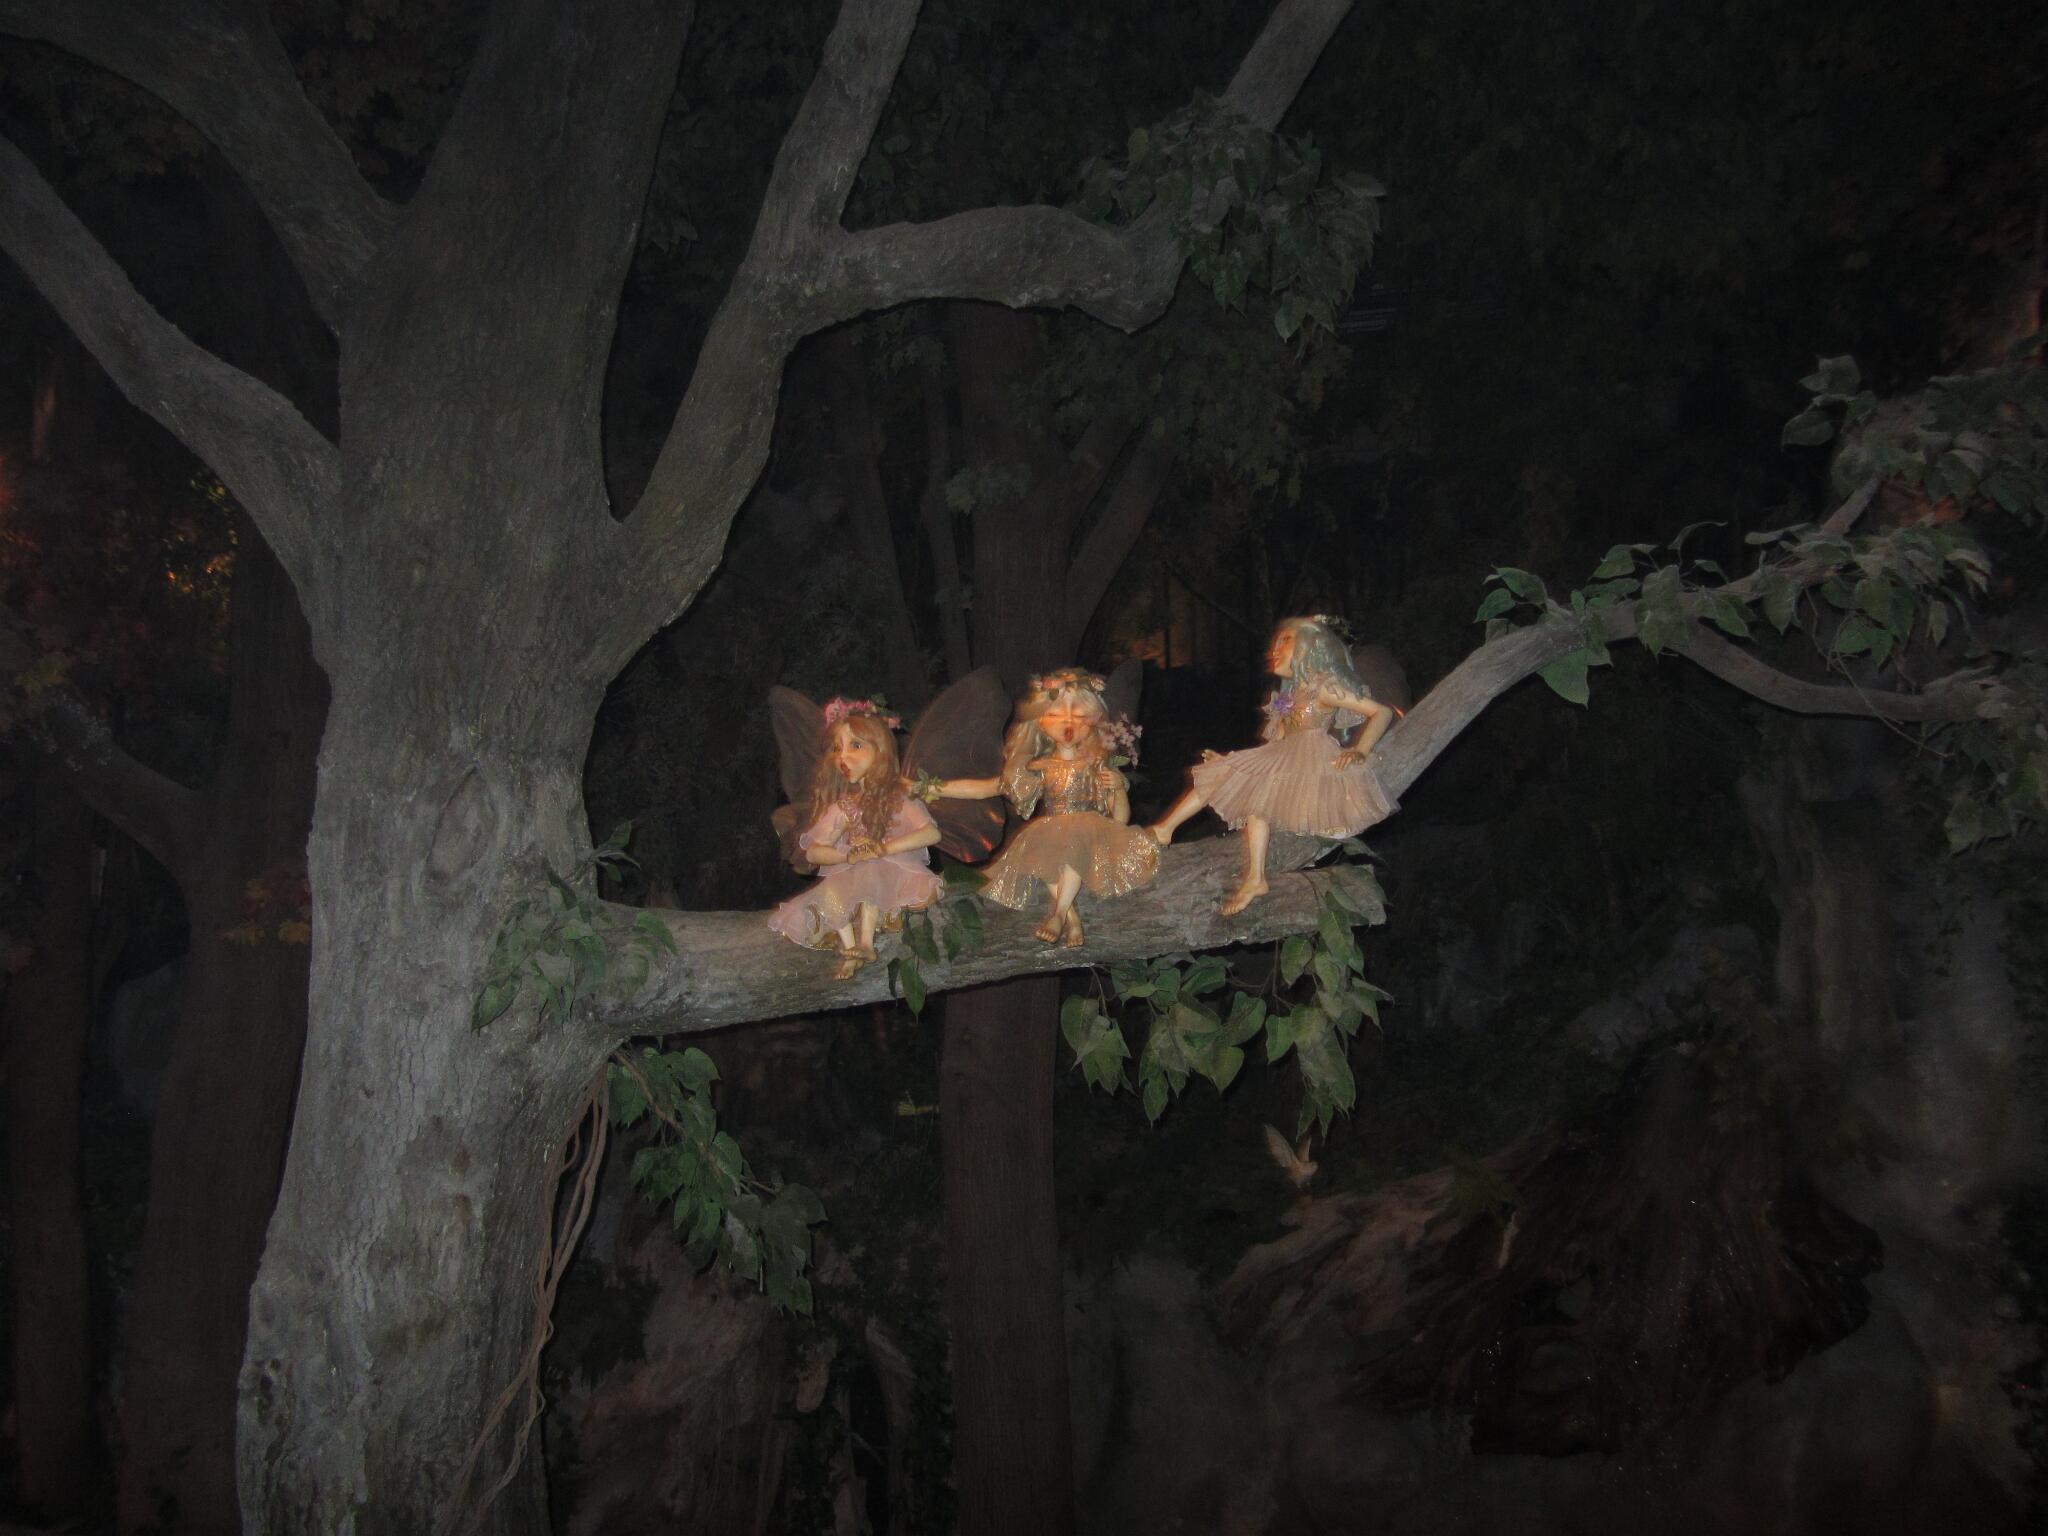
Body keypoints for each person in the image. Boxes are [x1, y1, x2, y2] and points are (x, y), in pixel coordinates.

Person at [1150, 616, 1397, 915]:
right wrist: (1231, 762)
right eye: (1276, 643)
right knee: (1223, 776)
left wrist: (1360, 749)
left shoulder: (1323, 686)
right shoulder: (1288, 697)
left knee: (1258, 803)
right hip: (1285, 755)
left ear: (1309, 646)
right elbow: (1274, 746)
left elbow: (1381, 712)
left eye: (1286, 641)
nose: (1275, 649)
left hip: (1309, 756)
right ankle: (1165, 829)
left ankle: (1255, 878)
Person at [935, 668, 1158, 946]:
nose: (1068, 725)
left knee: (1074, 845)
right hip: (1052, 828)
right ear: (1040, 722)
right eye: (1055, 716)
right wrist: (931, 788)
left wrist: (1119, 789)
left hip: (1089, 829)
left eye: (1079, 717)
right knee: (1039, 854)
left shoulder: (1095, 765)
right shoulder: (1040, 767)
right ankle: (1071, 920)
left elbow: (1120, 819)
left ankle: (1058, 914)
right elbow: (988, 788)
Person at [767, 700, 943, 978]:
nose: (843, 756)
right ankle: (851, 949)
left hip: (894, 874)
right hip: (853, 872)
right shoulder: (844, 807)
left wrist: (883, 848)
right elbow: (813, 851)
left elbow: (931, 832)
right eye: (837, 748)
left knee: (870, 874)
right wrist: (846, 855)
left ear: (880, 750)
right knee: (832, 890)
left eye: (855, 745)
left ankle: (866, 943)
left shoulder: (898, 798)